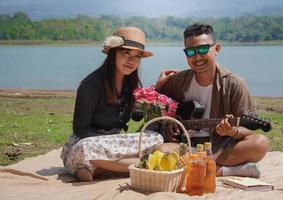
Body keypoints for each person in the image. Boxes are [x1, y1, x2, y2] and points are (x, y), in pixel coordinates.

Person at [156, 23, 269, 177]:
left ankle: (199, 165)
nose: (197, 57)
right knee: (160, 151)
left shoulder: (234, 83)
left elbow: (248, 130)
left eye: (203, 49)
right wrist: (169, 124)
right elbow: (154, 106)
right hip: (185, 147)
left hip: (218, 148)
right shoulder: (177, 80)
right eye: (190, 51)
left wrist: (233, 131)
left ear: (216, 49)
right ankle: (224, 170)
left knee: (260, 143)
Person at [60, 27, 164, 182]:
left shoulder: (130, 85)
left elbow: (135, 116)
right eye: (126, 53)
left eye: (137, 56)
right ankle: (141, 164)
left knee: (156, 138)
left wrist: (156, 92)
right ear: (113, 53)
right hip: (89, 142)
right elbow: (80, 128)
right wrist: (112, 144)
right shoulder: (91, 84)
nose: (131, 61)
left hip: (115, 143)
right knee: (86, 149)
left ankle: (102, 168)